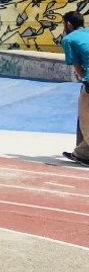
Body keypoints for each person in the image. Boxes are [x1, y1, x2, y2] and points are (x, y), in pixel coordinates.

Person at [60, 11, 89, 166]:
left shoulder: (68, 39)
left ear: (69, 24)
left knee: (85, 119)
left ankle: (84, 155)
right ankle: (82, 153)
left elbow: (77, 67)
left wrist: (84, 79)